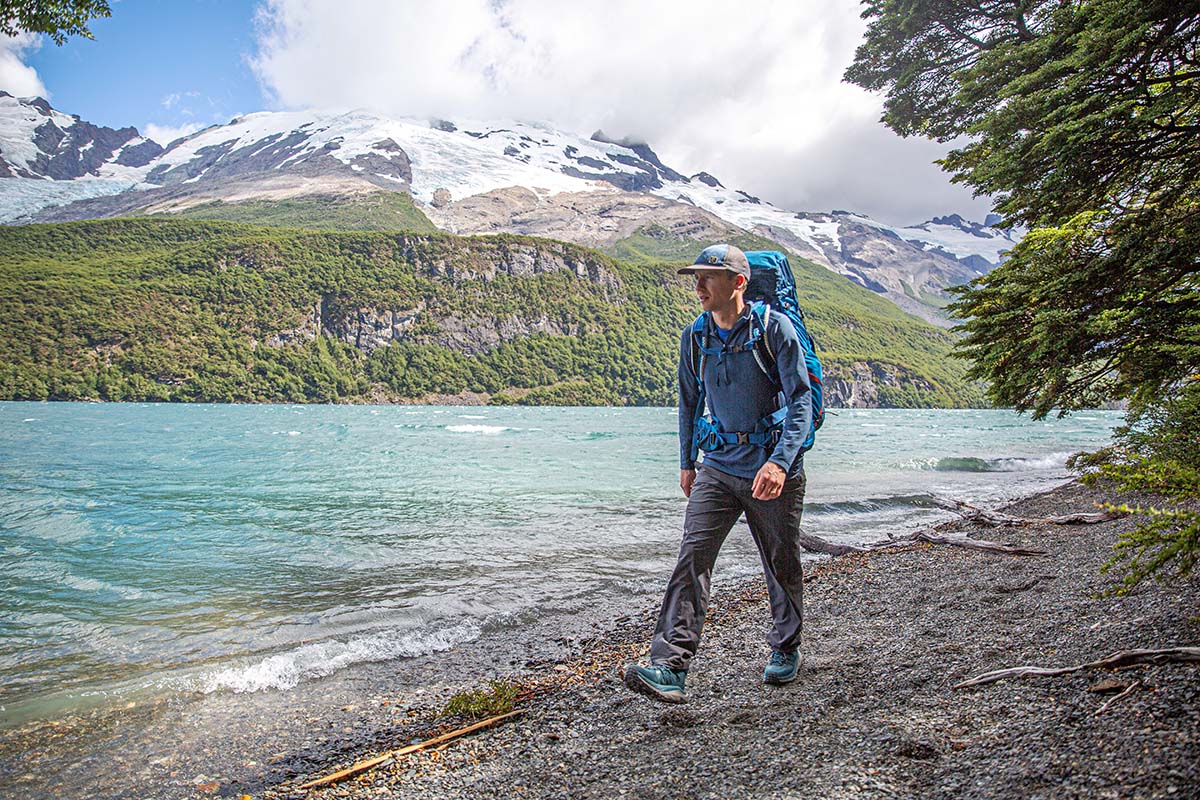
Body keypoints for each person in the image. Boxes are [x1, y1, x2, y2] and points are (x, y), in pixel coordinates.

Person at [623, 243, 812, 704]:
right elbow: (689, 401)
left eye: (708, 276)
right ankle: (669, 666)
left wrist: (780, 463)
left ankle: (786, 648)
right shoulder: (696, 336)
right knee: (693, 557)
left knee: (780, 560)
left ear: (739, 283)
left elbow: (802, 402)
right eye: (696, 276)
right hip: (718, 468)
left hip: (772, 470)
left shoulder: (775, 329)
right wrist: (687, 461)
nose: (698, 285)